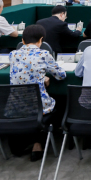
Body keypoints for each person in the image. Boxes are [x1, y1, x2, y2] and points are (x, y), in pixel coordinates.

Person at [9, 24, 66, 161]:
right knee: (60, 104)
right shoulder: (44, 54)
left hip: (16, 107)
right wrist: (44, 78)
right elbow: (61, 75)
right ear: (41, 40)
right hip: (39, 106)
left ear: (22, 40)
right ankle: (38, 143)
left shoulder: (13, 54)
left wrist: (40, 77)